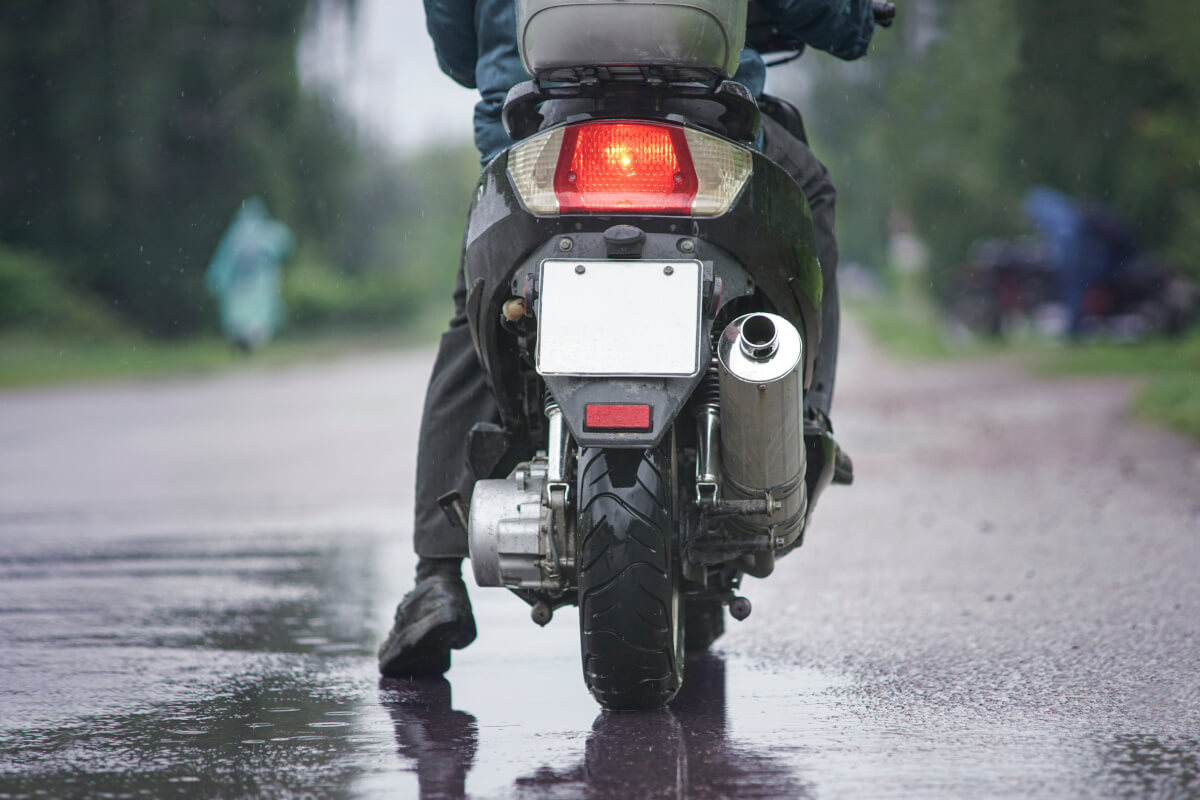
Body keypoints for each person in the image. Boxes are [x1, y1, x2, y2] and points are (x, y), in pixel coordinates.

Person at [379, 0, 878, 678]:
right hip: (707, 123)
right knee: (808, 194)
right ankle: (805, 411)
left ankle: (435, 576)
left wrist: (495, 55)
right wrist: (849, 22)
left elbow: (453, 38)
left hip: (537, 121)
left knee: (484, 307)